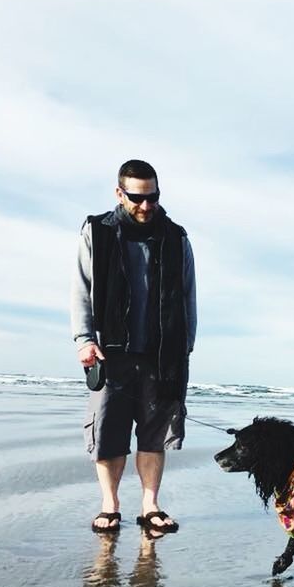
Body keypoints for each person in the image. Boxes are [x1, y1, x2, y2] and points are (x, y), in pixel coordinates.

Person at [71, 159, 197, 537]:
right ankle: (110, 506)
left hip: (161, 355)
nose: (146, 206)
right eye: (137, 198)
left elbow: (189, 297)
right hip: (111, 352)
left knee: (155, 434)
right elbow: (81, 287)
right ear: (119, 193)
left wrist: (185, 346)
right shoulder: (98, 231)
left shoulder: (176, 237)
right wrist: (84, 340)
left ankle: (150, 506)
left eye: (152, 197)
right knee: (108, 432)